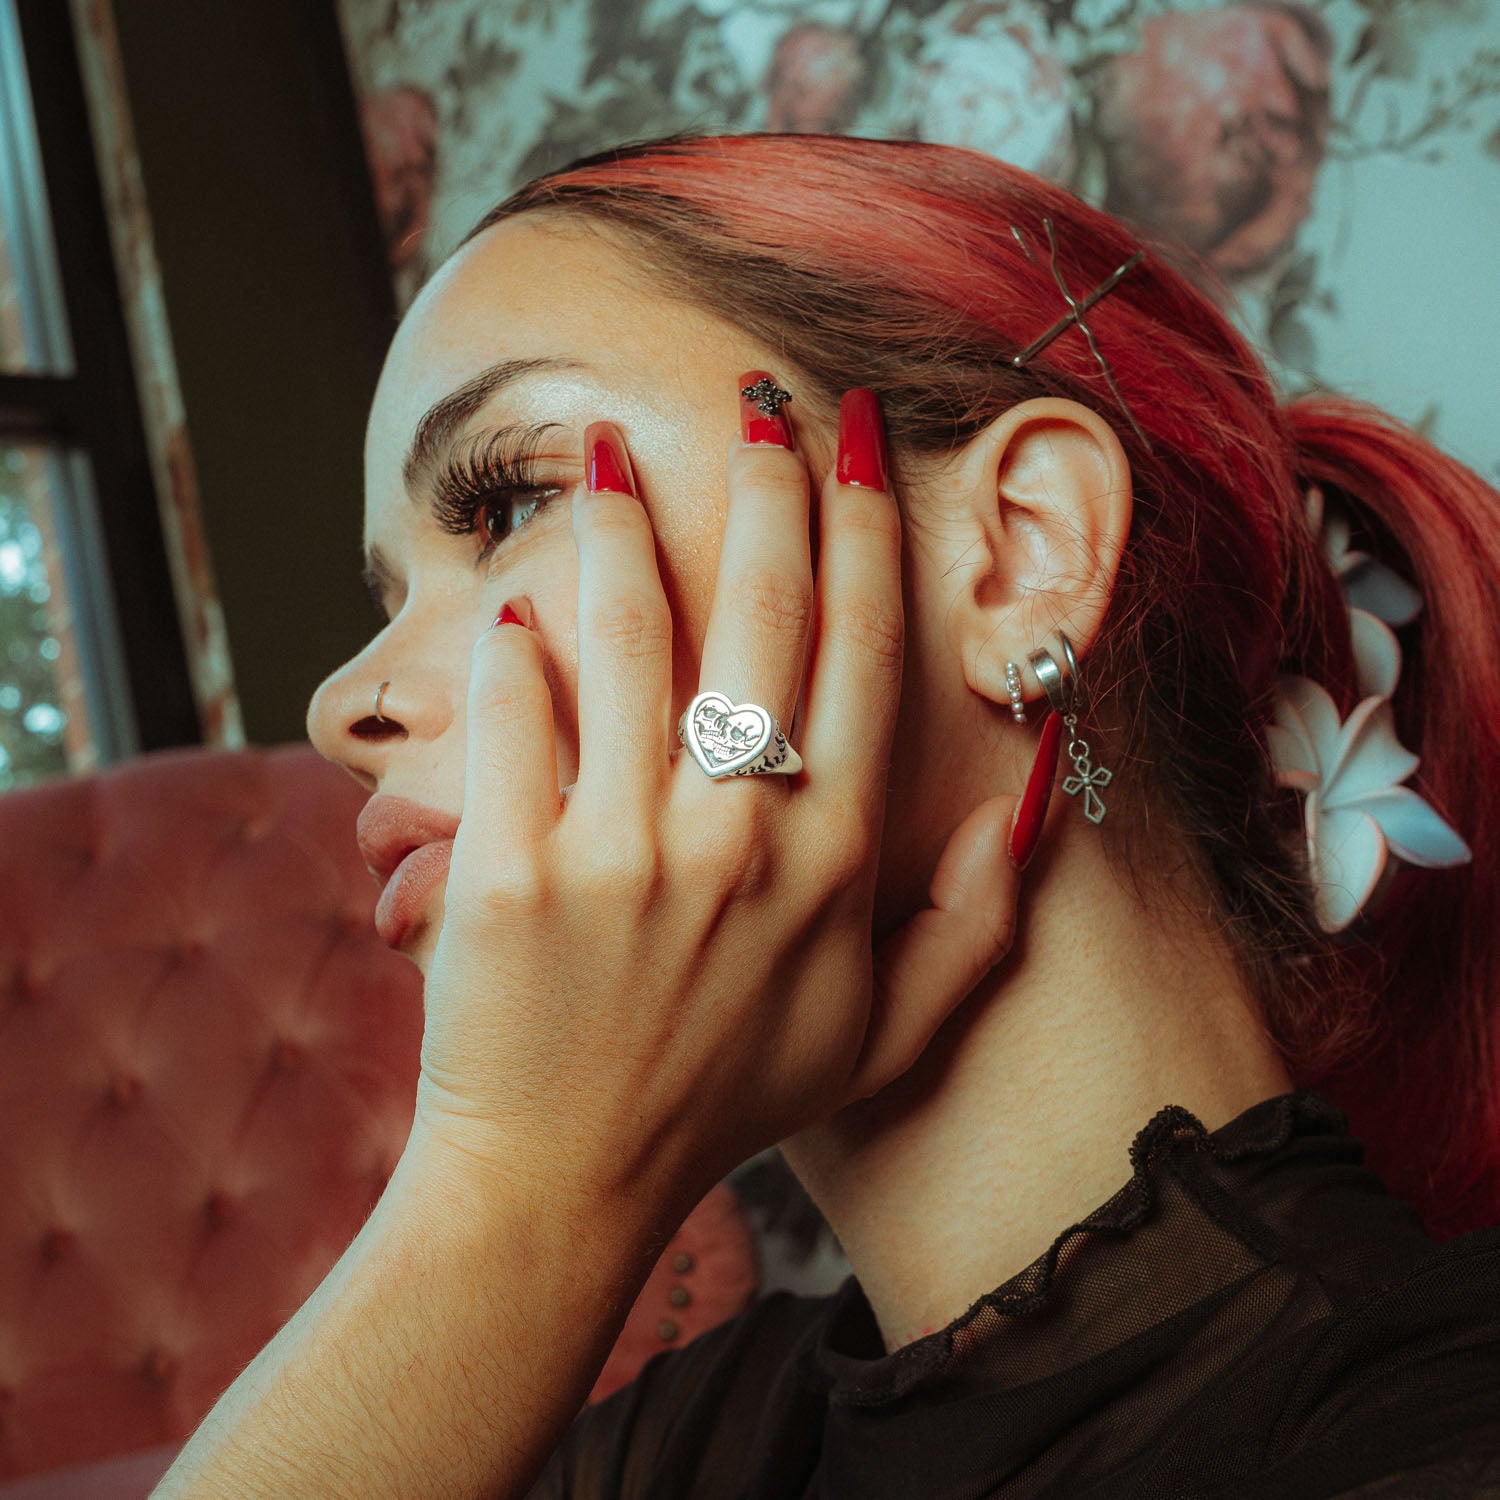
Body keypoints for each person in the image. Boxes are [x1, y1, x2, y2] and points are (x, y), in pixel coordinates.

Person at [154, 134, 1500, 1498]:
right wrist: (523, 1191)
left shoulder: (1429, 1424)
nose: (341, 703)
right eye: (391, 595)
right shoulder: (682, 1450)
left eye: (506, 501)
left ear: (1022, 549)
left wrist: (516, 1190)